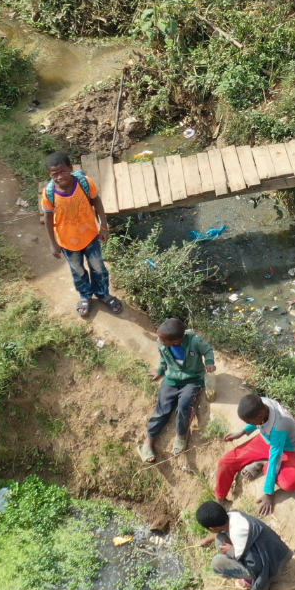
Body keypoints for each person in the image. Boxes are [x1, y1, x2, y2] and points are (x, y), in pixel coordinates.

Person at [38, 151, 122, 317]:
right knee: (78, 270)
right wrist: (52, 242)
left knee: (98, 267)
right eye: (54, 174)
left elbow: (96, 200)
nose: (60, 176)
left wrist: (104, 226)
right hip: (67, 241)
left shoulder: (84, 183)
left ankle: (103, 293)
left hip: (90, 236)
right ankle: (85, 296)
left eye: (63, 171)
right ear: (50, 175)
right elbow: (47, 216)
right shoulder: (49, 193)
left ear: (70, 168)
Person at [139, 317, 215, 462]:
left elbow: (208, 350)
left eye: (162, 339)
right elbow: (163, 358)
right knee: (162, 409)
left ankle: (181, 434)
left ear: (175, 342)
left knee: (184, 405)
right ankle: (148, 440)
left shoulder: (194, 341)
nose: (159, 341)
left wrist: (210, 362)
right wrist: (160, 371)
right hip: (172, 379)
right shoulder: (162, 343)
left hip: (193, 380)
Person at [214, 393, 295, 514]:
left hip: (286, 448)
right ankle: (220, 500)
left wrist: (268, 492)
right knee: (225, 461)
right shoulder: (262, 403)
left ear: (259, 416)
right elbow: (259, 422)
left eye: (249, 422)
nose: (249, 423)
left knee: (291, 483)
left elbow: (275, 459)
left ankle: (263, 462)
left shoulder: (279, 426)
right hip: (267, 440)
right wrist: (243, 432)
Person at [196, 500, 292, 590]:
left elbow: (256, 565)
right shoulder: (234, 515)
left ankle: (249, 580)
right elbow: (220, 532)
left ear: (212, 528)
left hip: (272, 565)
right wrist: (208, 540)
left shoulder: (238, 535)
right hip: (277, 551)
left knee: (217, 563)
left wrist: (232, 551)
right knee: (220, 539)